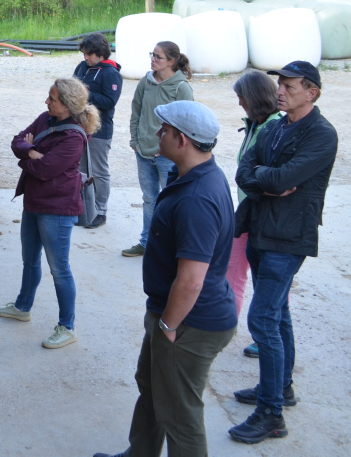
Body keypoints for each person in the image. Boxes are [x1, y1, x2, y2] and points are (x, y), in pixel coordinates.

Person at [95, 100, 237, 457]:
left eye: (165, 130)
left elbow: (191, 280)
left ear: (182, 139)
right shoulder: (189, 175)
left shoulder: (197, 198)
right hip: (173, 314)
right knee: (153, 388)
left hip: (190, 322)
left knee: (179, 415)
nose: (158, 133)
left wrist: (168, 326)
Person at [228, 61, 337, 445]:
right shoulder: (275, 126)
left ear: (312, 92)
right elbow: (244, 170)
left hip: (288, 239)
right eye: (280, 85)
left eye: (290, 87)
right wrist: (266, 180)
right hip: (260, 228)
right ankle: (281, 388)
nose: (281, 92)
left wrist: (267, 178)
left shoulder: (321, 134)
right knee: (279, 316)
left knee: (263, 319)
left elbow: (286, 178)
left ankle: (271, 414)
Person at [0, 78, 100, 349]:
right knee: (29, 260)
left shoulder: (74, 137)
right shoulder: (46, 118)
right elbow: (17, 142)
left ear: (67, 105)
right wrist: (32, 152)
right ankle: (22, 307)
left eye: (52, 99)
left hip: (57, 209)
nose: (46, 102)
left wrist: (28, 154)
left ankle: (67, 327)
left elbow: (45, 170)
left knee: (59, 269)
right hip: (34, 200)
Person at [228, 71, 283, 360]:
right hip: (247, 212)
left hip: (265, 217)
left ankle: (265, 336)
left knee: (263, 281)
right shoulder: (256, 123)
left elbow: (268, 176)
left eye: (242, 98)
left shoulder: (275, 127)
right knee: (233, 271)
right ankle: (227, 324)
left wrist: (253, 177)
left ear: (254, 97)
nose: (239, 103)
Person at [123, 41, 193, 258]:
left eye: (158, 57)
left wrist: (171, 150)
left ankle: (171, 247)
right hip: (143, 152)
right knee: (149, 198)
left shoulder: (181, 88)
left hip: (167, 157)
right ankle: (146, 243)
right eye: (152, 55)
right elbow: (136, 111)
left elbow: (187, 123)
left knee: (171, 201)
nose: (153, 59)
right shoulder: (146, 81)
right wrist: (135, 140)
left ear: (171, 61)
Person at [74, 33, 122, 228]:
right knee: (80, 170)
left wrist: (86, 94)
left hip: (100, 131)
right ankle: (83, 209)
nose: (86, 57)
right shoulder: (82, 67)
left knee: (99, 171)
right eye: (84, 54)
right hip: (79, 128)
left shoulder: (111, 73)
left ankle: (100, 211)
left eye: (90, 54)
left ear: (101, 53)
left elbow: (110, 102)